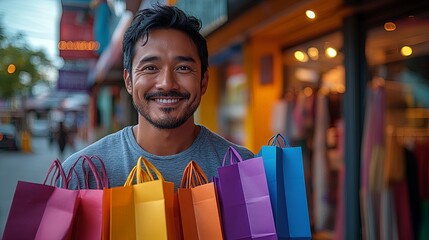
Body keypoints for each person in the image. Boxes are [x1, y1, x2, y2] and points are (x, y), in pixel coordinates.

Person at [62, 4, 254, 189]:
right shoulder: (82, 174)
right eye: (150, 68)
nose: (167, 83)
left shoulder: (243, 168)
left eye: (183, 68)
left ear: (204, 81)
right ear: (129, 81)